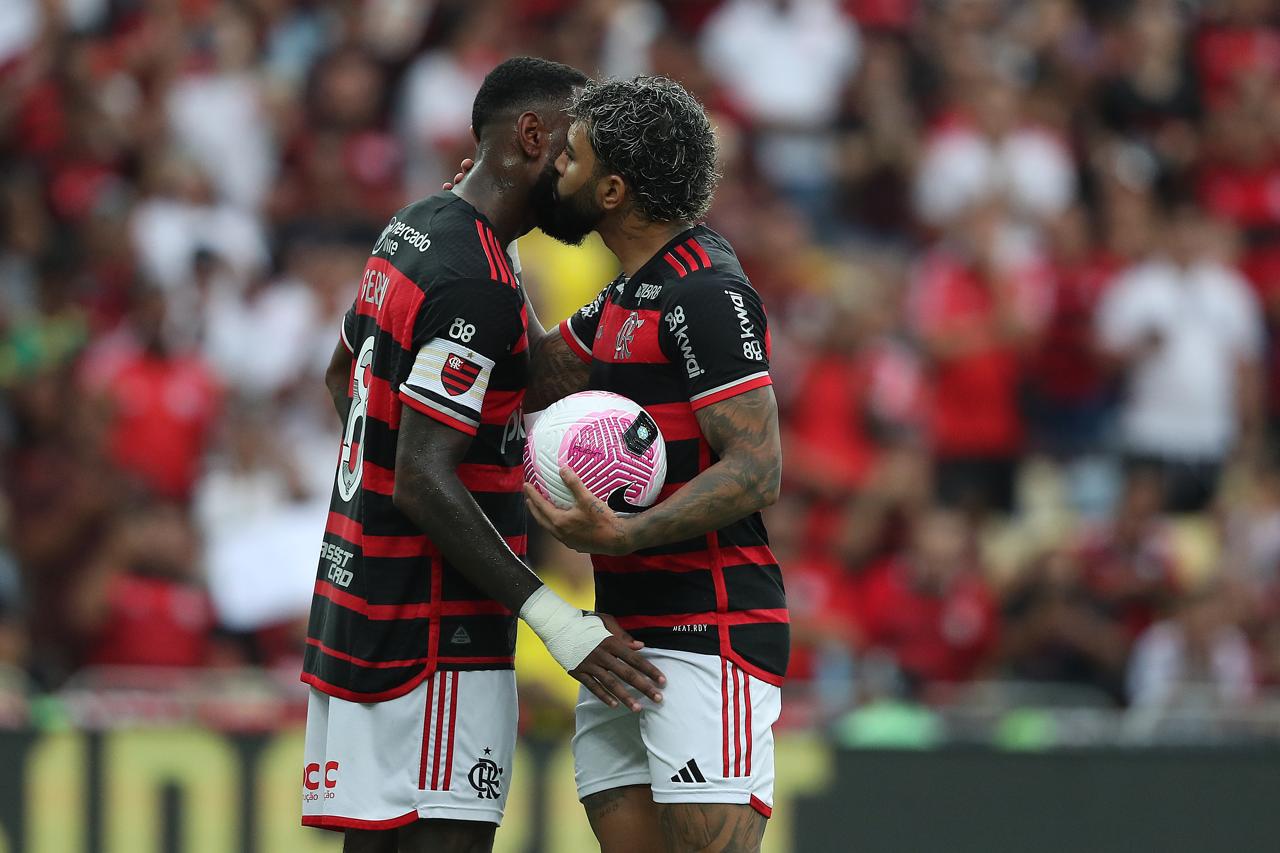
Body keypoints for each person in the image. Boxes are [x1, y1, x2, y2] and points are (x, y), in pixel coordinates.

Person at [301, 58, 663, 853]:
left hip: (367, 604)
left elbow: (349, 372)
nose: (582, 175)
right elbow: (424, 481)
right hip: (435, 638)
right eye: (574, 152)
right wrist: (559, 626)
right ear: (532, 137)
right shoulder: (474, 278)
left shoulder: (421, 224)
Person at [525, 77, 787, 853]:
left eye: (567, 160)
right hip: (625, 641)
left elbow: (757, 468)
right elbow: (532, 377)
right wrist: (477, 241)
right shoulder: (628, 294)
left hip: (710, 630)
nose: (553, 174)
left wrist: (627, 535)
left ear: (611, 190)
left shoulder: (704, 294)